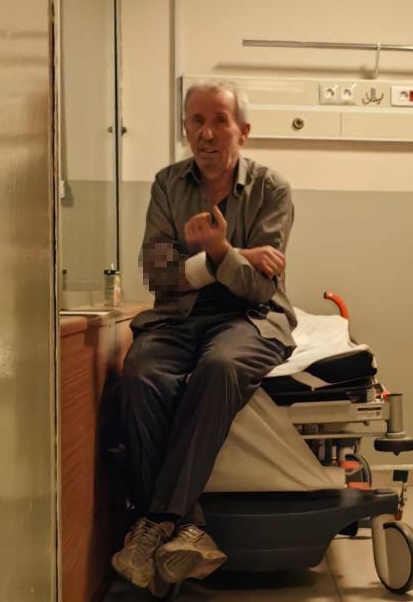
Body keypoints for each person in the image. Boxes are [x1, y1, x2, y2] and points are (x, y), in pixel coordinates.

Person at [110, 80, 296, 595]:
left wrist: (214, 254)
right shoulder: (168, 184)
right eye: (196, 121)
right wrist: (230, 258)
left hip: (249, 317)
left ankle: (154, 523)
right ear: (185, 128)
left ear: (243, 131)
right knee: (140, 376)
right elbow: (158, 275)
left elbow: (259, 286)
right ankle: (188, 529)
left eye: (219, 121)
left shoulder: (271, 190)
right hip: (177, 318)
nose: (206, 133)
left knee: (220, 366)